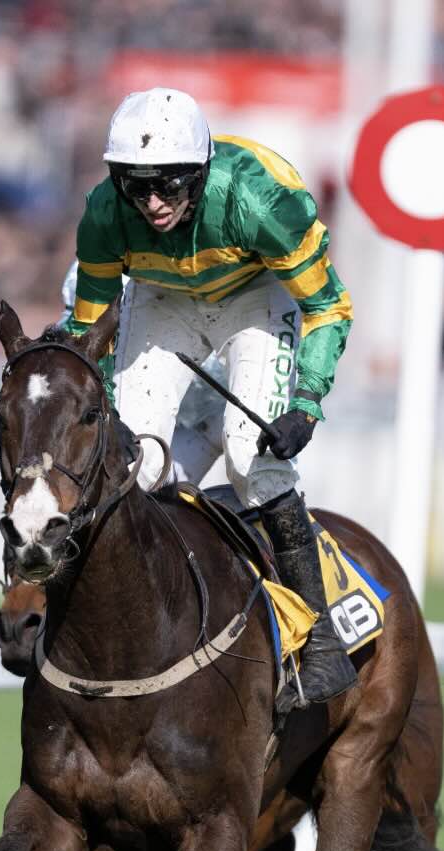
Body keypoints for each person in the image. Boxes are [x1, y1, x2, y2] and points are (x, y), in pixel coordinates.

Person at [63, 87, 356, 705]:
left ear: (199, 173)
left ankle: (323, 642)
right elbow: (90, 332)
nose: (152, 203)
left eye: (168, 185)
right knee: (133, 465)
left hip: (255, 296)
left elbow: (328, 306)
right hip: (162, 298)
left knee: (251, 458)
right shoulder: (104, 213)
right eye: (136, 186)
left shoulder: (259, 202)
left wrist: (305, 404)